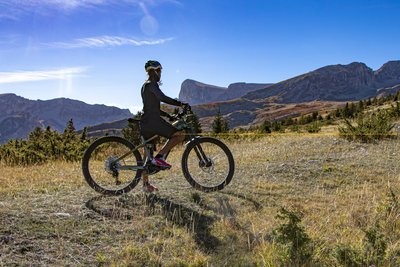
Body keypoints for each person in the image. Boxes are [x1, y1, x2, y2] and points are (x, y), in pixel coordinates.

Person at [140, 60, 188, 193]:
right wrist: (180, 104)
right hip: (153, 122)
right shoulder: (152, 84)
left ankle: (146, 185)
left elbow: (151, 107)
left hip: (146, 122)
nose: (160, 74)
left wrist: (169, 116)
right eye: (160, 71)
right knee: (180, 135)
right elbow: (162, 97)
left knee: (147, 155)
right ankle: (160, 157)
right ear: (155, 71)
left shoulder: (146, 86)